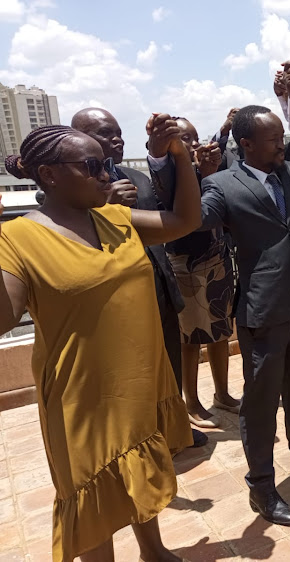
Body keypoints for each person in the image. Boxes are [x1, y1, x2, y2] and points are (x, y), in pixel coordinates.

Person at [0, 122, 199, 561]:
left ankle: (153, 550)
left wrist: (180, 156)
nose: (107, 175)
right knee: (93, 494)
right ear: (50, 175)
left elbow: (186, 220)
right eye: (94, 166)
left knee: (139, 466)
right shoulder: (16, 239)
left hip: (136, 379)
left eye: (107, 164)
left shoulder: (116, 219)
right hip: (81, 397)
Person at [196, 62, 290, 526]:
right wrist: (183, 171)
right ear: (246, 144)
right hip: (261, 312)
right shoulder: (221, 185)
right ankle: (261, 486)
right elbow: (194, 220)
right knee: (262, 404)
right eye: (272, 138)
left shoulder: (288, 174)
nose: (281, 144)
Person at [71, 107, 209, 449]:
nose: (116, 139)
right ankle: (142, 441)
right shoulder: (68, 193)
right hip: (113, 304)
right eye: (106, 133)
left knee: (169, 363)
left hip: (158, 289)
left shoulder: (142, 180)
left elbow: (177, 216)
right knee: (132, 377)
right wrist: (104, 207)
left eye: (119, 132)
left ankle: (176, 427)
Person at [163, 117, 239, 428]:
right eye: (185, 138)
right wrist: (200, 173)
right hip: (187, 263)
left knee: (220, 331)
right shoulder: (168, 176)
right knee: (190, 337)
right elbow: (186, 213)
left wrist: (208, 172)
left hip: (216, 257)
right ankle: (190, 401)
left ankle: (222, 394)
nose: (193, 144)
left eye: (194, 138)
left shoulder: (207, 170)